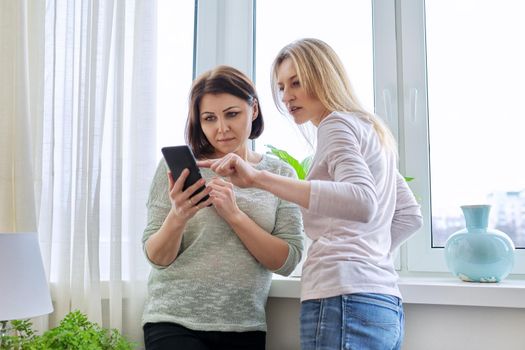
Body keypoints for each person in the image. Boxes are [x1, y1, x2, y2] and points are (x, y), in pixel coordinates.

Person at [199, 38, 423, 350]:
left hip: (343, 301)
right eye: (280, 87)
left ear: (323, 77)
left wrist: (258, 178)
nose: (286, 97)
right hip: (383, 303)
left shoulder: (335, 126)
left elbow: (362, 201)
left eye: (296, 83)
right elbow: (410, 216)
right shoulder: (371, 131)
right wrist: (367, 255)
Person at [141, 65, 304, 350]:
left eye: (232, 114)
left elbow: (288, 261)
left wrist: (234, 215)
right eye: (209, 118)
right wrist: (178, 216)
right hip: (173, 320)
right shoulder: (174, 170)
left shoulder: (279, 174)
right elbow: (156, 257)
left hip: (244, 325)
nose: (221, 128)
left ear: (253, 110)